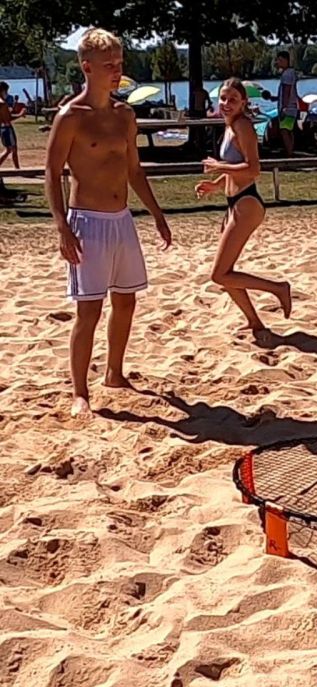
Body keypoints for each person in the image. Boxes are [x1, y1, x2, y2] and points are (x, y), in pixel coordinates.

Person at [44, 28, 172, 418]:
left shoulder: (124, 114)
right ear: (87, 67)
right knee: (89, 311)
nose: (116, 71)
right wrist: (62, 227)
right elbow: (52, 172)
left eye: (119, 63)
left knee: (126, 301)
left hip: (121, 220)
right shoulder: (71, 116)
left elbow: (134, 169)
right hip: (87, 221)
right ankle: (79, 392)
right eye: (108, 65)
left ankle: (114, 373)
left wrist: (156, 213)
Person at [194, 78, 291, 340]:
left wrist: (219, 167)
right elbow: (234, 166)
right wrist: (216, 184)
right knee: (227, 274)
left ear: (244, 102)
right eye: (223, 98)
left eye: (233, 100)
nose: (226, 103)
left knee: (219, 274)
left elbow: (254, 168)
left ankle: (278, 288)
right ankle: (254, 322)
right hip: (234, 202)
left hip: (247, 204)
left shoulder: (243, 125)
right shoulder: (229, 125)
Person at [275, 50, 300, 157]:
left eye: (280, 60)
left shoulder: (287, 74)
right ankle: (290, 150)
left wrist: (284, 107)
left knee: (284, 130)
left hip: (288, 107)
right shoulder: (291, 73)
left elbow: (287, 90)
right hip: (292, 106)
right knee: (289, 130)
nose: (278, 62)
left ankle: (289, 152)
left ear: (286, 60)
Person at [0, 81, 26, 169]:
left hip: (3, 127)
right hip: (6, 128)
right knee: (10, 149)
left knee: (13, 149)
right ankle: (17, 169)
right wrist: (20, 114)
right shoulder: (2, 104)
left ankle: (17, 168)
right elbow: (8, 118)